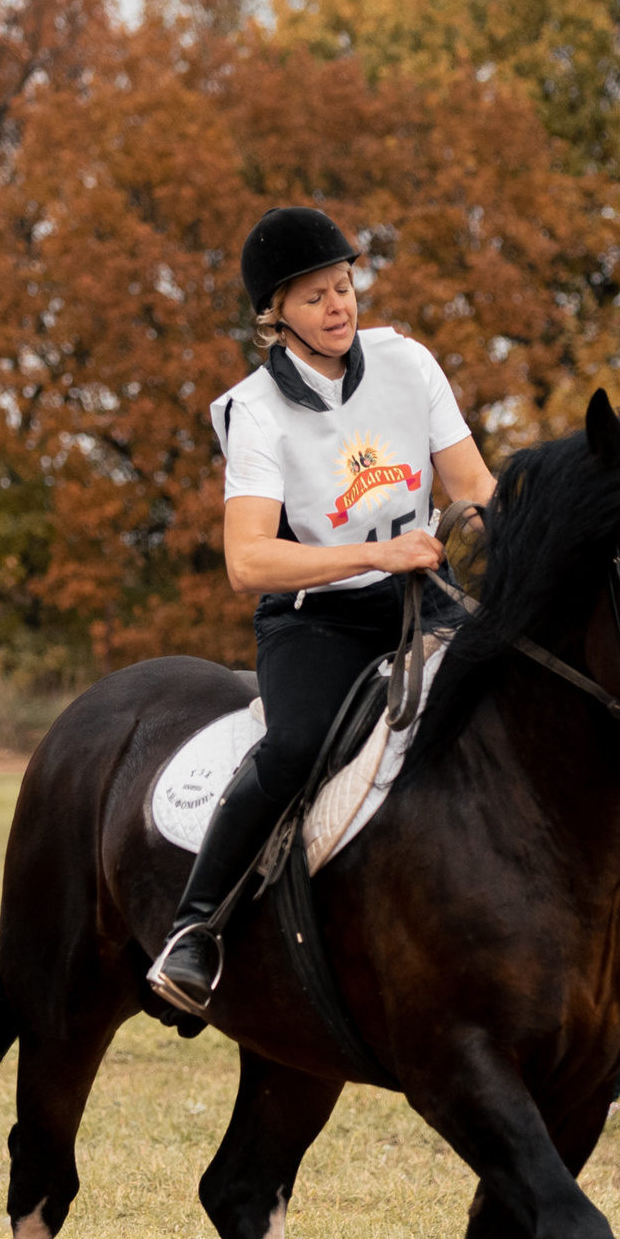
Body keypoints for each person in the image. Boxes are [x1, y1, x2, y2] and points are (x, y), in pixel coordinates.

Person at [146, 208, 495, 1018]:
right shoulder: (255, 409)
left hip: (420, 596)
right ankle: (195, 930)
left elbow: (474, 487)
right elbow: (248, 561)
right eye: (314, 297)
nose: (339, 306)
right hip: (314, 619)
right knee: (297, 744)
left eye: (344, 286)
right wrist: (375, 554)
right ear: (275, 314)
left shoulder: (411, 363)